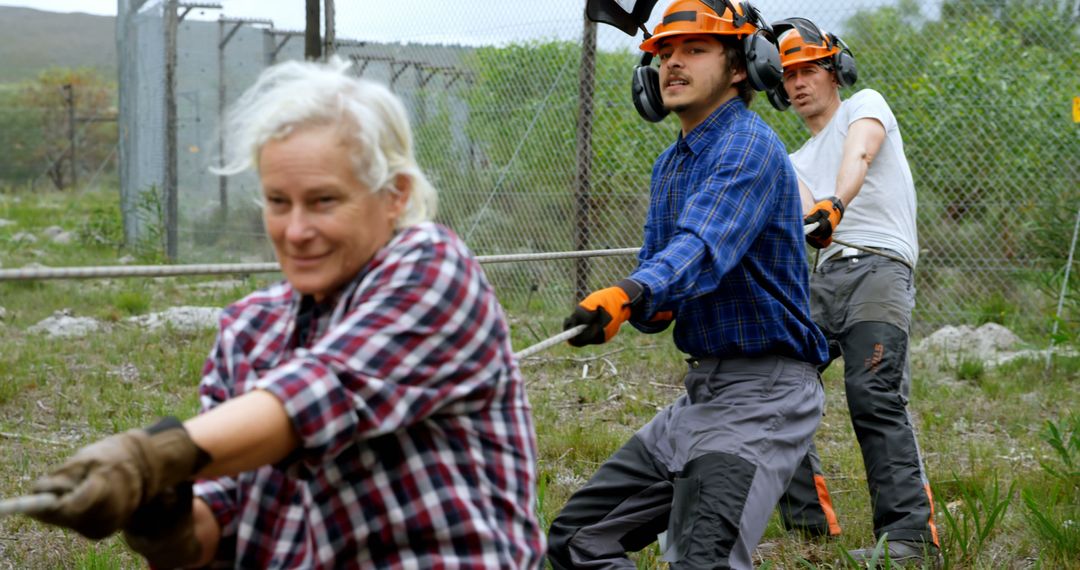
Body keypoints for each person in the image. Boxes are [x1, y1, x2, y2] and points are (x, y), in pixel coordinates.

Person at [27, 58, 545, 569]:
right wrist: (170, 524)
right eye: (278, 201)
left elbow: (324, 390)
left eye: (322, 201)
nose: (295, 231)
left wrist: (149, 457)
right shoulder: (250, 327)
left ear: (395, 196)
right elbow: (221, 512)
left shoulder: (434, 269)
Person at [546, 1, 830, 568]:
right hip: (703, 395)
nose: (672, 64)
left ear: (741, 65)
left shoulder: (748, 146)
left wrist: (630, 293)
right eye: (664, 54)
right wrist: (639, 307)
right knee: (577, 539)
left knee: (703, 560)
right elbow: (664, 284)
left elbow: (701, 245)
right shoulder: (670, 166)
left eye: (695, 50)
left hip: (763, 395)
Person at [768, 17, 940, 565]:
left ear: (835, 70)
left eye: (810, 70)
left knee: (872, 394)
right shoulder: (792, 161)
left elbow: (859, 156)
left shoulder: (866, 104)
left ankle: (911, 541)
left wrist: (835, 203)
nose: (798, 83)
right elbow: (792, 217)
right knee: (774, 385)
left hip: (879, 270)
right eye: (788, 74)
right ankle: (810, 528)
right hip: (824, 278)